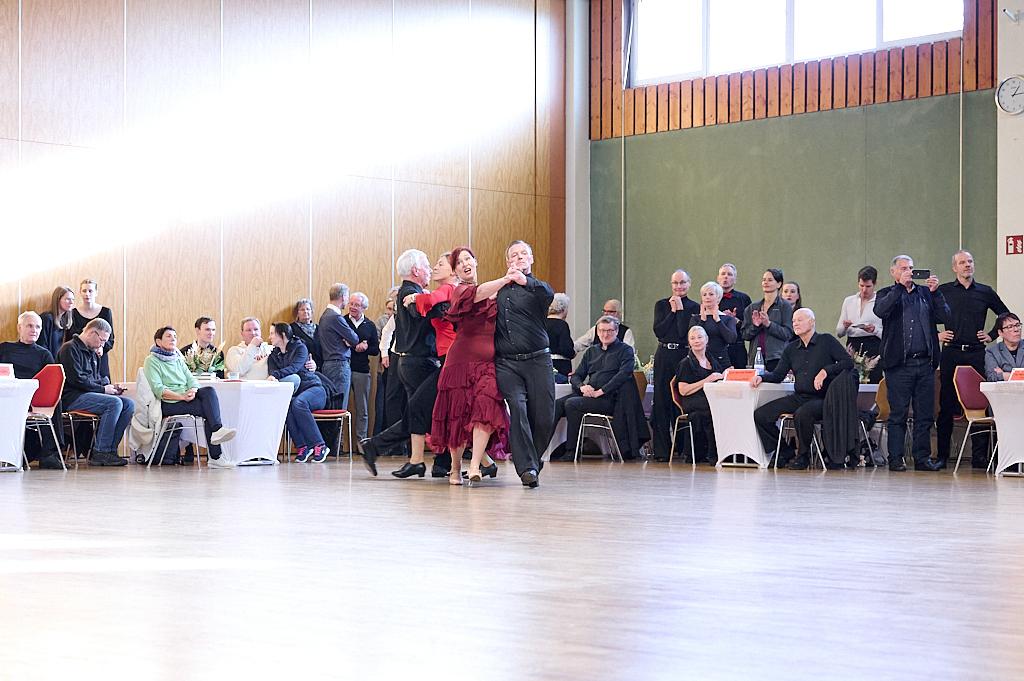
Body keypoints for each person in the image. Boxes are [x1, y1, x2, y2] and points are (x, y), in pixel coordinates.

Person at [360, 249, 452, 479]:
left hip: (411, 362)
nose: (430, 269)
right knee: (428, 411)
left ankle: (426, 461)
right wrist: (442, 305)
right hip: (419, 362)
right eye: (427, 265)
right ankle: (435, 460)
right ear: (416, 270)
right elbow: (419, 311)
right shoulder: (410, 293)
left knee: (422, 413)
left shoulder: (412, 291)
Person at [430, 247, 509, 484]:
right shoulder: (460, 291)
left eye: (468, 259)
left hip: (486, 363)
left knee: (486, 407)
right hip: (459, 364)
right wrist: (506, 278)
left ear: (475, 261)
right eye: (458, 263)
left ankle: (474, 464)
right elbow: (478, 293)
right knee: (457, 415)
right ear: (455, 272)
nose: (464, 263)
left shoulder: (493, 292)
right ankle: (455, 469)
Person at [874, 255, 950, 472]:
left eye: (911, 268)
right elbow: (880, 311)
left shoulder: (925, 293)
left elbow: (945, 315)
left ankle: (922, 458)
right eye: (904, 268)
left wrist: (936, 293)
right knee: (897, 414)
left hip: (925, 364)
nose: (909, 272)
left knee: (924, 415)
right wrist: (899, 287)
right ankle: (896, 459)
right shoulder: (886, 293)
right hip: (899, 365)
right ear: (893, 272)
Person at [752, 308, 854, 470]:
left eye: (800, 320)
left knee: (803, 414)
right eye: (793, 321)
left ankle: (803, 455)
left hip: (823, 398)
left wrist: (825, 371)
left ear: (811, 322)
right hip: (799, 397)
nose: (795, 323)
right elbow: (778, 375)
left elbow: (848, 363)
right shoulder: (791, 348)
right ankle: (785, 451)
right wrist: (761, 376)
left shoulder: (826, 341)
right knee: (761, 415)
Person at [935, 250, 1009, 469]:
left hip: (977, 352)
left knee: (981, 402)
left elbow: (1005, 315)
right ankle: (942, 456)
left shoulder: (985, 291)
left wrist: (993, 335)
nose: (967, 265)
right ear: (954, 268)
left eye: (970, 261)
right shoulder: (943, 291)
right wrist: (936, 334)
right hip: (951, 352)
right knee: (946, 403)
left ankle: (979, 457)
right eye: (962, 262)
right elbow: (924, 316)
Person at [495, 240, 555, 488]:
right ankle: (527, 468)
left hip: (538, 360)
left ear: (531, 259)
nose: (519, 258)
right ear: (508, 262)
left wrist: (525, 281)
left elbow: (548, 293)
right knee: (518, 409)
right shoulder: (499, 290)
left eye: (523, 254)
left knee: (544, 417)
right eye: (514, 255)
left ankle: (533, 459)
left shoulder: (538, 289)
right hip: (507, 363)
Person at [144, 326, 236, 466]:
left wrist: (192, 390)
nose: (173, 338)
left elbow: (191, 379)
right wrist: (181, 397)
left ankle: (217, 433)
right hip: (169, 402)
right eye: (169, 336)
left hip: (185, 397)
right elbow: (159, 390)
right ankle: (216, 457)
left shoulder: (177, 358)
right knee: (207, 409)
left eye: (175, 336)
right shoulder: (152, 361)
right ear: (158, 341)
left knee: (209, 391)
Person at [551, 316, 635, 460]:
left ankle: (572, 451)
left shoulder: (625, 351)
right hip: (589, 394)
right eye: (602, 331)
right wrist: (582, 387)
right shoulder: (591, 351)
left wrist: (601, 391)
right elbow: (577, 375)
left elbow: (623, 375)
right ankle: (539, 449)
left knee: (572, 404)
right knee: (557, 404)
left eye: (609, 331)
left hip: (610, 399)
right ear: (597, 332)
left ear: (616, 332)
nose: (605, 334)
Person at [57, 318, 132, 466]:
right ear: (92, 333)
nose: (103, 345)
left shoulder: (91, 352)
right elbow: (76, 380)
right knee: (114, 403)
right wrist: (103, 389)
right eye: (103, 340)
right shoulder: (69, 349)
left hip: (88, 394)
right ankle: (101, 452)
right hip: (72, 397)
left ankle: (110, 450)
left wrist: (109, 386)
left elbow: (94, 379)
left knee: (129, 404)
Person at [0, 312, 63, 469]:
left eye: (37, 327)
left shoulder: (44, 354)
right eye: (29, 325)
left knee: (56, 400)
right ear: (19, 328)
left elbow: (50, 382)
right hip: (7, 396)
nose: (34, 330)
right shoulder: (5, 349)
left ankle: (49, 453)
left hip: (33, 399)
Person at [650, 269, 700, 462]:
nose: (679, 286)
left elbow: (682, 332)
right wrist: (672, 311)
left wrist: (680, 311)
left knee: (682, 400)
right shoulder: (661, 305)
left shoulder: (694, 307)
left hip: (682, 354)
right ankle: (662, 451)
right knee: (661, 400)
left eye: (683, 283)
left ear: (689, 284)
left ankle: (685, 449)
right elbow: (659, 330)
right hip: (664, 354)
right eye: (675, 283)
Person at [267, 323, 330, 463]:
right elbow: (271, 372)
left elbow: (294, 368)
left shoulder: (300, 347)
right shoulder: (273, 355)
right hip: (296, 393)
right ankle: (302, 446)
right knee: (288, 406)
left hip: (314, 389)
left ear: (282, 335)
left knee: (299, 403)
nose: (269, 337)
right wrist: (274, 375)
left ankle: (320, 445)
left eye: (272, 333)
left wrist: (276, 375)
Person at [674, 326, 725, 466]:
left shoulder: (712, 360)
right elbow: (683, 390)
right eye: (693, 338)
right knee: (712, 410)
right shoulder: (686, 363)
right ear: (689, 343)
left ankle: (728, 452)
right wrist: (707, 380)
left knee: (726, 408)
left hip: (710, 398)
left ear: (706, 340)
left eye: (700, 337)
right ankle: (713, 454)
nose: (697, 341)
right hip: (692, 400)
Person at [315, 283, 360, 410]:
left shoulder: (325, 315)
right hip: (339, 365)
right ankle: (337, 431)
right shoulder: (335, 317)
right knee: (338, 408)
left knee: (332, 404)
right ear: (343, 296)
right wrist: (347, 340)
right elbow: (355, 339)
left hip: (329, 364)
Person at [836, 266, 884, 383]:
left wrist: (874, 330)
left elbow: (887, 334)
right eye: (861, 286)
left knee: (872, 380)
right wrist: (845, 326)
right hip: (853, 345)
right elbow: (839, 332)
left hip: (873, 345)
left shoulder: (881, 301)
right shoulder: (849, 301)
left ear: (875, 284)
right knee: (850, 381)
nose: (864, 290)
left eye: (868, 286)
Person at [741, 268, 794, 372]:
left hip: (776, 358)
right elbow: (744, 335)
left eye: (770, 280)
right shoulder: (752, 307)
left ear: (779, 284)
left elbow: (788, 334)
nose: (765, 282)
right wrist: (755, 326)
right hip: (756, 358)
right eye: (764, 279)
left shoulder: (785, 306)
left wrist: (769, 324)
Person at [345, 292, 380, 442]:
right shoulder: (342, 321)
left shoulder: (370, 325)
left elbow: (375, 349)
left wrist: (365, 348)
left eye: (357, 305)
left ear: (364, 307)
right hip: (344, 369)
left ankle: (361, 443)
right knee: (340, 408)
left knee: (363, 409)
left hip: (362, 371)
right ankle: (338, 444)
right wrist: (355, 346)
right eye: (351, 304)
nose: (353, 307)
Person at [69, 278, 115, 380]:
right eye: (84, 291)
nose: (87, 294)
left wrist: (101, 347)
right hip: (80, 358)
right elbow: (70, 338)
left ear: (96, 293)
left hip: (100, 356)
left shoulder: (106, 312)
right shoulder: (72, 313)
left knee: (104, 385)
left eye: (90, 291)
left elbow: (111, 339)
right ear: (80, 293)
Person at [688, 281, 737, 369]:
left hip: (721, 360)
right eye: (704, 294)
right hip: (699, 362)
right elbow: (691, 340)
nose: (707, 297)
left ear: (718, 297)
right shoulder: (696, 319)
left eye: (711, 294)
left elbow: (731, 339)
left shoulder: (728, 319)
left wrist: (718, 320)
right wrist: (702, 321)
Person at [717, 263, 753, 371]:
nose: (726, 277)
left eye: (729, 274)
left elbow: (750, 327)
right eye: (723, 274)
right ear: (718, 278)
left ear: (735, 279)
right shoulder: (711, 297)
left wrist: (735, 321)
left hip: (737, 348)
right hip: (717, 348)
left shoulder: (744, 299)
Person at [545, 293, 576, 383]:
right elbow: (566, 348)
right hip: (560, 366)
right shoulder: (562, 325)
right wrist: (572, 353)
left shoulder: (542, 323)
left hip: (543, 363)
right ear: (563, 309)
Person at [985, 312, 1024, 381]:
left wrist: (1006, 375)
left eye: (1017, 325)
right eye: (1010, 327)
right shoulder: (992, 352)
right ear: (1000, 332)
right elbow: (991, 376)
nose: (1016, 330)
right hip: (1005, 391)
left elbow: (999, 376)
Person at [39, 285, 74, 361]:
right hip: (47, 362)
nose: (71, 302)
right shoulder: (46, 318)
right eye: (68, 299)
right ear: (58, 300)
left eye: (72, 299)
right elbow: (42, 345)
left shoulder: (65, 320)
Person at [290, 298, 322, 368]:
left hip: (319, 367)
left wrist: (316, 365)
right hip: (301, 368)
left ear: (312, 311)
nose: (305, 311)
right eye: (302, 309)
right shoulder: (291, 329)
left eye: (308, 309)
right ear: (297, 313)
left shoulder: (320, 329)